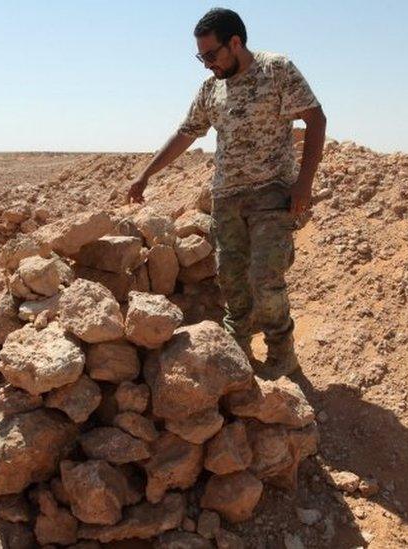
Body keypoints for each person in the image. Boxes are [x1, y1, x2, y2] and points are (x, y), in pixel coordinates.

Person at [127, 7, 326, 379]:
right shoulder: (211, 87)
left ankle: (283, 356)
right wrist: (145, 174)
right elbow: (186, 134)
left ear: (235, 43)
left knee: (265, 278)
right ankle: (239, 355)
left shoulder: (275, 69)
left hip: (271, 194)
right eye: (200, 57)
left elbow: (316, 118)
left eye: (211, 55)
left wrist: (304, 183)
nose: (206, 64)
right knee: (232, 280)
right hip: (227, 198)